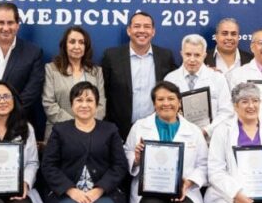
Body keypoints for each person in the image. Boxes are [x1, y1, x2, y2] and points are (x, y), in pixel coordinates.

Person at [101, 11, 178, 139]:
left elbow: (177, 81)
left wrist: (208, 69)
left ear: (153, 31)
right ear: (128, 30)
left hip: (156, 129)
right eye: (137, 26)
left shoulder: (165, 56)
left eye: (147, 27)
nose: (142, 30)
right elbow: (104, 92)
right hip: (119, 131)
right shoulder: (111, 56)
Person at [163, 34, 234, 138]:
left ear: (204, 56)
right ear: (181, 54)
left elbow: (226, 112)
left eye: (197, 55)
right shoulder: (170, 79)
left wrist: (206, 131)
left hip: (210, 140)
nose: (192, 59)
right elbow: (165, 112)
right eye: (188, 54)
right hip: (178, 137)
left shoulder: (217, 78)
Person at [42, 26, 105, 139]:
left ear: (86, 47)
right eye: (72, 42)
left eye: (81, 42)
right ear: (65, 45)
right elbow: (49, 104)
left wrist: (86, 125)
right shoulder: (51, 69)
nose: (77, 46)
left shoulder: (96, 71)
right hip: (58, 132)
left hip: (90, 133)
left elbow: (101, 105)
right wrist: (75, 125)